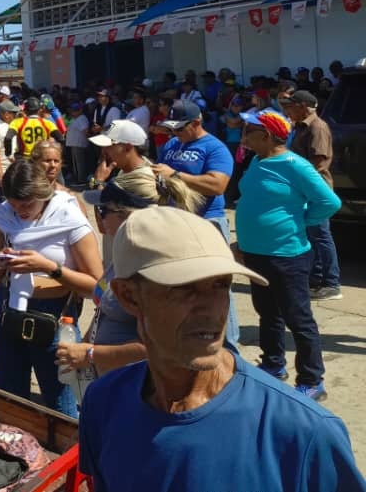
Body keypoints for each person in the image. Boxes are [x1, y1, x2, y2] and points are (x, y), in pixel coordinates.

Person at [79, 206, 365, 492]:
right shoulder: (103, 403)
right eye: (185, 288)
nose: (213, 310)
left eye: (220, 285)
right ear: (129, 297)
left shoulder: (303, 432)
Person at [236, 108, 342, 401]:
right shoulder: (257, 161)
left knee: (299, 318)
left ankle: (311, 379)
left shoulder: (296, 165)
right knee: (267, 314)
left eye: (248, 130)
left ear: (265, 135)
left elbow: (328, 202)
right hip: (256, 254)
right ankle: (273, 365)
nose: (243, 135)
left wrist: (298, 221)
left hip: (287, 255)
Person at [57, 169, 201, 380]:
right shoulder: (127, 252)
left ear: (126, 215)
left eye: (102, 210)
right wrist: (85, 347)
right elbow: (104, 312)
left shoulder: (153, 268)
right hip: (112, 381)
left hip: (141, 387)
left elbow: (156, 347)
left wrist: (90, 354)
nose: (99, 217)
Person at [0, 159, 102, 416]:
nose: (20, 212)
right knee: (9, 400)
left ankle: (69, 456)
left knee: (61, 405)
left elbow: (97, 286)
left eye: (26, 205)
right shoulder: (6, 215)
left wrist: (50, 267)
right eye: (14, 206)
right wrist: (4, 262)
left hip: (54, 316)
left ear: (44, 194)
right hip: (8, 309)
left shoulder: (69, 219)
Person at [151, 100, 240, 346]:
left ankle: (229, 347)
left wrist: (176, 175)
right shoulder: (172, 144)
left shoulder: (215, 148)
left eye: (180, 128)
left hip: (206, 222)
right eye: (172, 128)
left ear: (197, 123)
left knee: (218, 288)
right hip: (174, 221)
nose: (175, 134)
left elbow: (218, 184)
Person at [284, 90, 342, 300]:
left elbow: (318, 164)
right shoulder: (300, 127)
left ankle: (331, 283)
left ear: (303, 106)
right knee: (312, 236)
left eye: (291, 105)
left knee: (321, 236)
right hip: (304, 190)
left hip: (316, 191)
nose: (287, 109)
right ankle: (316, 280)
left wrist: (300, 183)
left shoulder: (317, 127)